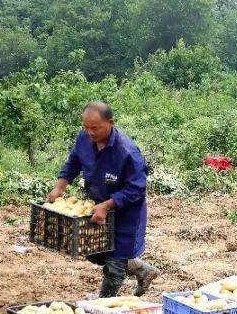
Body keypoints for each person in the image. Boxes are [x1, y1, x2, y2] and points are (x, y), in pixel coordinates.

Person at [47, 102, 159, 298]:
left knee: (115, 266)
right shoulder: (83, 139)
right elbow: (73, 163)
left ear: (110, 123)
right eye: (86, 127)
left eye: (95, 128)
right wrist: (59, 188)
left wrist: (108, 205)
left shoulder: (127, 152)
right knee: (94, 251)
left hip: (126, 214)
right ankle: (142, 270)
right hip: (97, 207)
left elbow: (137, 188)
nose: (90, 132)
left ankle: (103, 308)